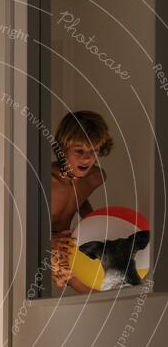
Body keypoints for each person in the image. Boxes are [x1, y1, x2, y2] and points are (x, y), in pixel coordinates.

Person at [50, 110, 113, 292]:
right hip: (40, 244)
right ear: (63, 148)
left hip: (70, 242)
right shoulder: (44, 179)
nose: (87, 158)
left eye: (93, 151)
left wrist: (92, 223)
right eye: (79, 151)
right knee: (92, 290)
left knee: (110, 275)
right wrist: (47, 241)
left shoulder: (96, 177)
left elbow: (79, 198)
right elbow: (20, 218)